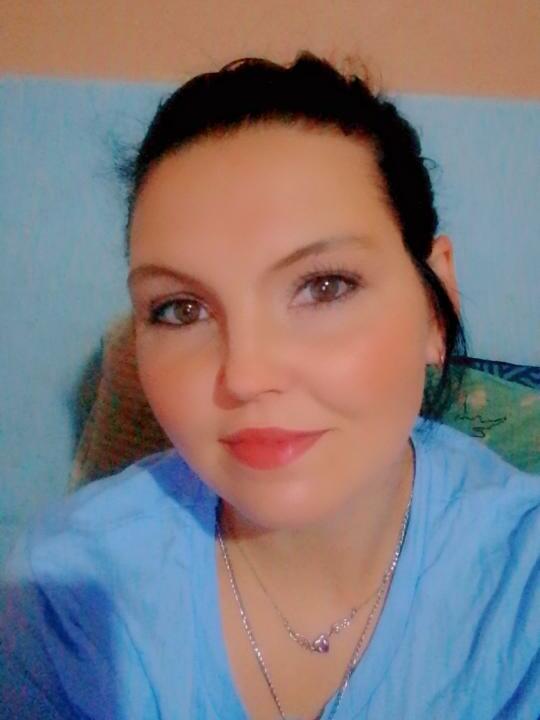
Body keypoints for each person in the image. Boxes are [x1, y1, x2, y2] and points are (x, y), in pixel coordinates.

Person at [0, 51, 538, 720]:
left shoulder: (521, 583)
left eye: (325, 286)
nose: (246, 376)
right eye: (181, 309)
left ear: (436, 305)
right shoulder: (67, 590)